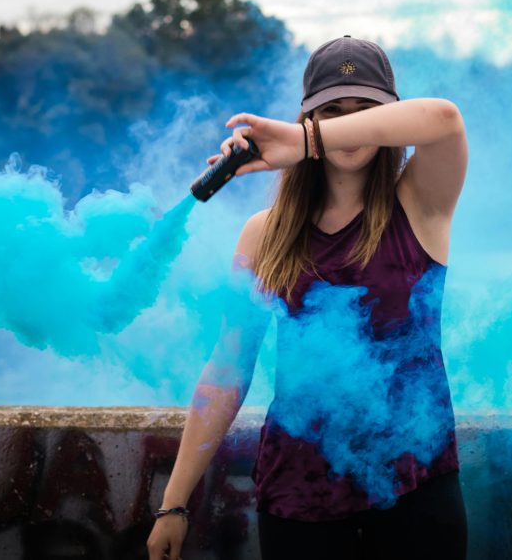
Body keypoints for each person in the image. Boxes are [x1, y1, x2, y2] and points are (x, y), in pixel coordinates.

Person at [148, 35, 469, 560]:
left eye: (364, 112)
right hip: (299, 499)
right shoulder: (263, 233)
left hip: (417, 489)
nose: (346, 127)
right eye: (331, 111)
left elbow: (445, 118)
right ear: (307, 114)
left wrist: (307, 140)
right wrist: (174, 504)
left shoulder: (421, 204)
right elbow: (228, 369)